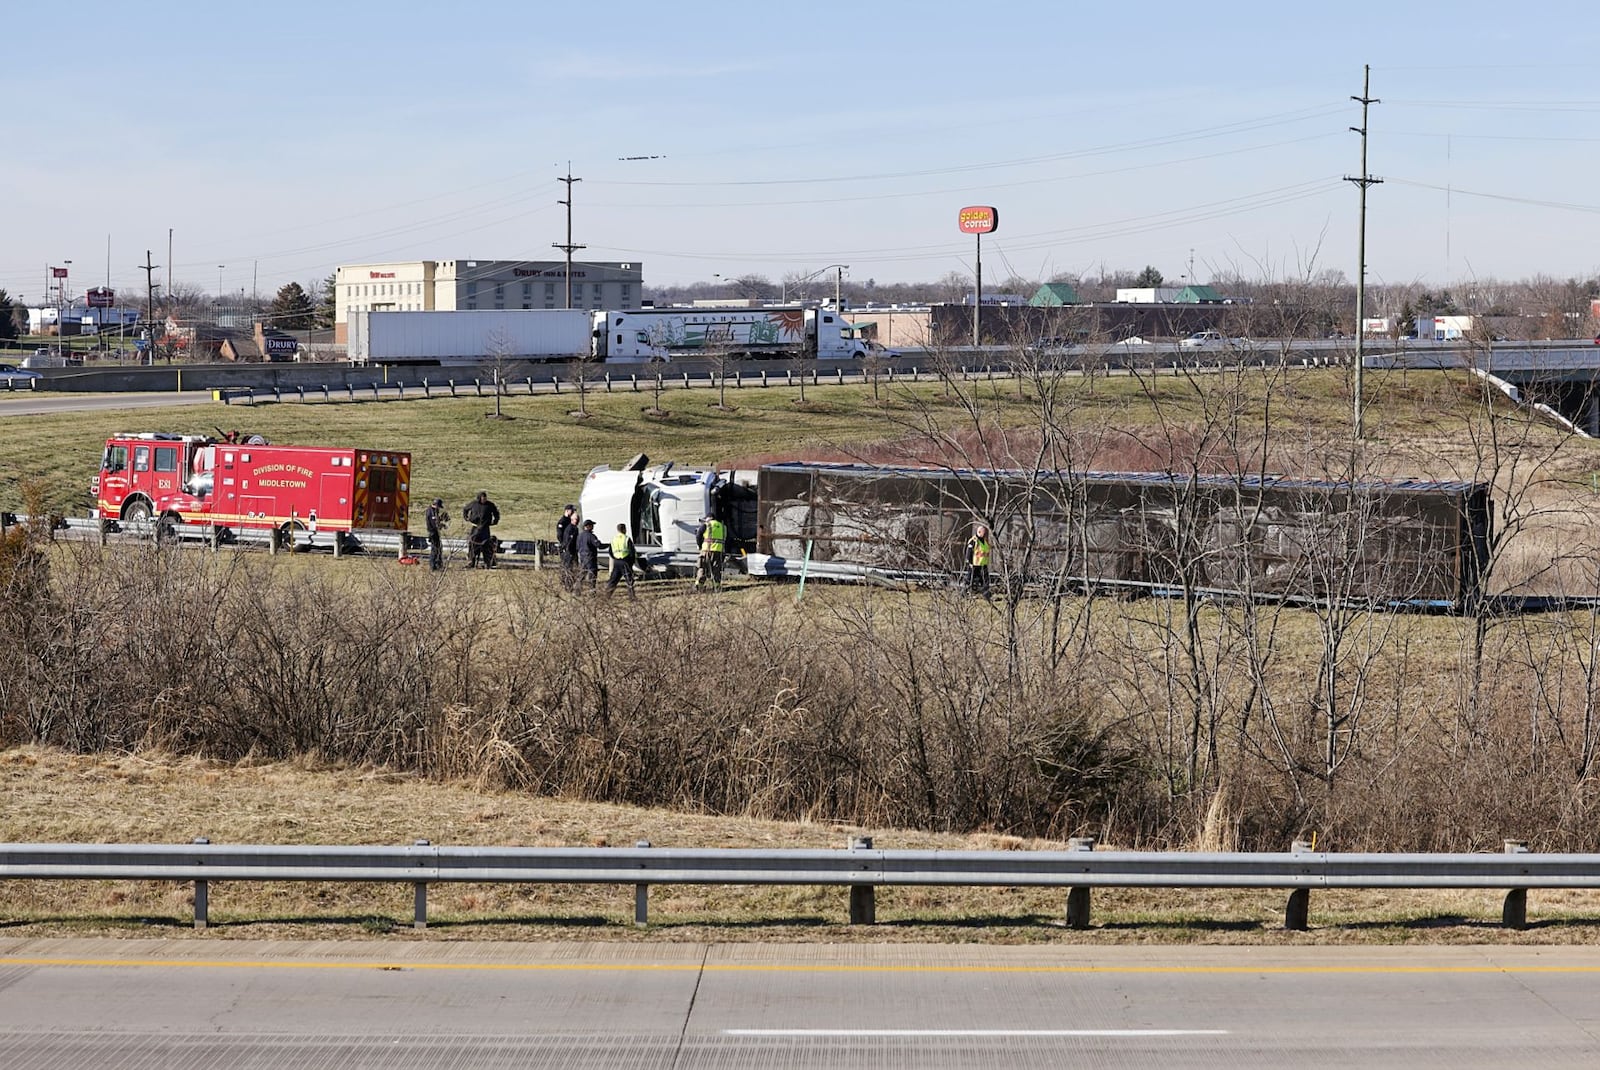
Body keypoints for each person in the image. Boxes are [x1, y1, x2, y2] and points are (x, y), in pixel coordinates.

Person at [463, 490, 500, 569]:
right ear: (479, 498)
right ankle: (471, 562)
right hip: (475, 527)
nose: (484, 500)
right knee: (473, 545)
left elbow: (496, 513)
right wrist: (466, 517)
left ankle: (488, 563)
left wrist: (495, 521)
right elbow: (465, 509)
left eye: (485, 498)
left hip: (485, 529)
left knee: (486, 545)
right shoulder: (473, 504)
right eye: (483, 498)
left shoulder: (490, 505)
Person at [694, 512, 728, 591]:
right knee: (717, 569)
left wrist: (699, 545)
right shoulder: (723, 527)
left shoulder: (706, 525)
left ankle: (699, 585)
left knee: (703, 567)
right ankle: (716, 586)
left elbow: (698, 535)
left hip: (707, 550)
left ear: (709, 518)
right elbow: (727, 539)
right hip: (719, 551)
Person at [605, 523, 637, 599]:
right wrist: (631, 563)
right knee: (629, 580)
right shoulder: (626, 538)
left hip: (616, 562)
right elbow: (632, 552)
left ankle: (607, 596)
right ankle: (632, 597)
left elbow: (610, 552)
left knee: (613, 580)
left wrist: (615, 558)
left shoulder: (613, 539)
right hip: (625, 561)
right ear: (624, 529)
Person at [966, 523, 993, 599]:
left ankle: (986, 594)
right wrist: (969, 562)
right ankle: (967, 593)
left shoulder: (984, 541)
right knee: (970, 579)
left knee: (985, 580)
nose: (985, 534)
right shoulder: (974, 541)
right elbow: (969, 552)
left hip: (983, 564)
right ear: (979, 532)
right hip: (974, 564)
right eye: (983, 532)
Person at [556, 504, 579, 590]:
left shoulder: (570, 521)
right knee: (566, 565)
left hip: (570, 547)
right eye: (572, 510)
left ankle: (568, 581)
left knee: (570, 566)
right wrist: (564, 544)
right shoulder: (562, 522)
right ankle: (565, 582)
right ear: (567, 510)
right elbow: (559, 535)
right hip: (566, 547)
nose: (573, 512)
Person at [576, 518, 602, 594]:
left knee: (581, 575)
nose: (593, 527)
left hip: (582, 557)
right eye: (591, 525)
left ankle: (577, 591)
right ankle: (592, 592)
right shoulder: (591, 536)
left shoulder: (579, 536)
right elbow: (598, 545)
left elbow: (577, 547)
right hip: (590, 558)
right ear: (588, 526)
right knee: (592, 576)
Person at [424, 497, 448, 572]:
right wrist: (441, 525)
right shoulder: (430, 511)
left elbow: (437, 521)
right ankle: (433, 566)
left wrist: (442, 518)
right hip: (433, 532)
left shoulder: (435, 511)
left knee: (438, 548)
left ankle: (438, 564)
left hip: (436, 532)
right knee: (434, 549)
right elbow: (434, 523)